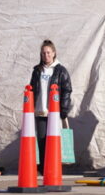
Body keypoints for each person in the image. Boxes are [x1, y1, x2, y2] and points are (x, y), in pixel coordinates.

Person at [28, 39, 73, 174]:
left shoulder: (61, 70)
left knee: (54, 141)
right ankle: (43, 169)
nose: (46, 55)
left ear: (54, 53)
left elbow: (67, 90)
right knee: (42, 141)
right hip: (40, 111)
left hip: (54, 113)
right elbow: (32, 89)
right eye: (43, 53)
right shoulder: (37, 70)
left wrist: (63, 109)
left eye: (48, 52)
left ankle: (54, 168)